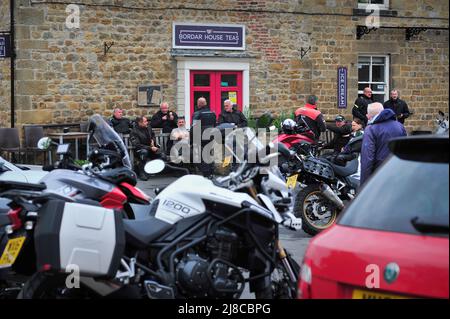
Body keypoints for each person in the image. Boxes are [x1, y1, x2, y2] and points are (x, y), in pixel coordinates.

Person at [360, 102, 407, 185]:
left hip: (379, 176)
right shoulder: (400, 126)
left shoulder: (370, 129)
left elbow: (367, 159)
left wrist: (363, 185)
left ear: (369, 116)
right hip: (398, 173)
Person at [130, 116, 160, 181]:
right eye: (145, 121)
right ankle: (141, 172)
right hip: (139, 151)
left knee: (161, 155)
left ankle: (155, 170)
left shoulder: (148, 127)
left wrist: (152, 140)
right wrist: (150, 148)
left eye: (147, 121)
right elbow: (137, 145)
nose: (147, 123)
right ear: (140, 123)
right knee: (144, 152)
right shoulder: (134, 132)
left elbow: (153, 135)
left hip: (150, 149)